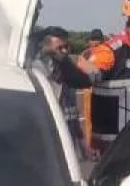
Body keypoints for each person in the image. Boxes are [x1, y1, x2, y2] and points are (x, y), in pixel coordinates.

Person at [32, 26, 97, 159]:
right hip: (48, 150)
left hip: (69, 151)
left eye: (66, 47)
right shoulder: (38, 76)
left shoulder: (68, 75)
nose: (65, 51)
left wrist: (84, 145)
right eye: (59, 48)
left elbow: (72, 115)